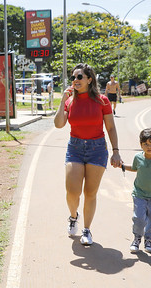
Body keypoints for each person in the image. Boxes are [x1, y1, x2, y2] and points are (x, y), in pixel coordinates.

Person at [54, 63, 122, 245]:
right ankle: (73, 216)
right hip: (75, 149)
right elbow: (59, 124)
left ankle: (86, 230)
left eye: (79, 77)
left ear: (89, 79)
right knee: (72, 191)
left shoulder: (102, 101)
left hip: (97, 149)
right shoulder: (69, 101)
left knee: (90, 192)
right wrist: (62, 101)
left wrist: (116, 152)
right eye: (73, 77)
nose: (75, 81)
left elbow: (111, 127)